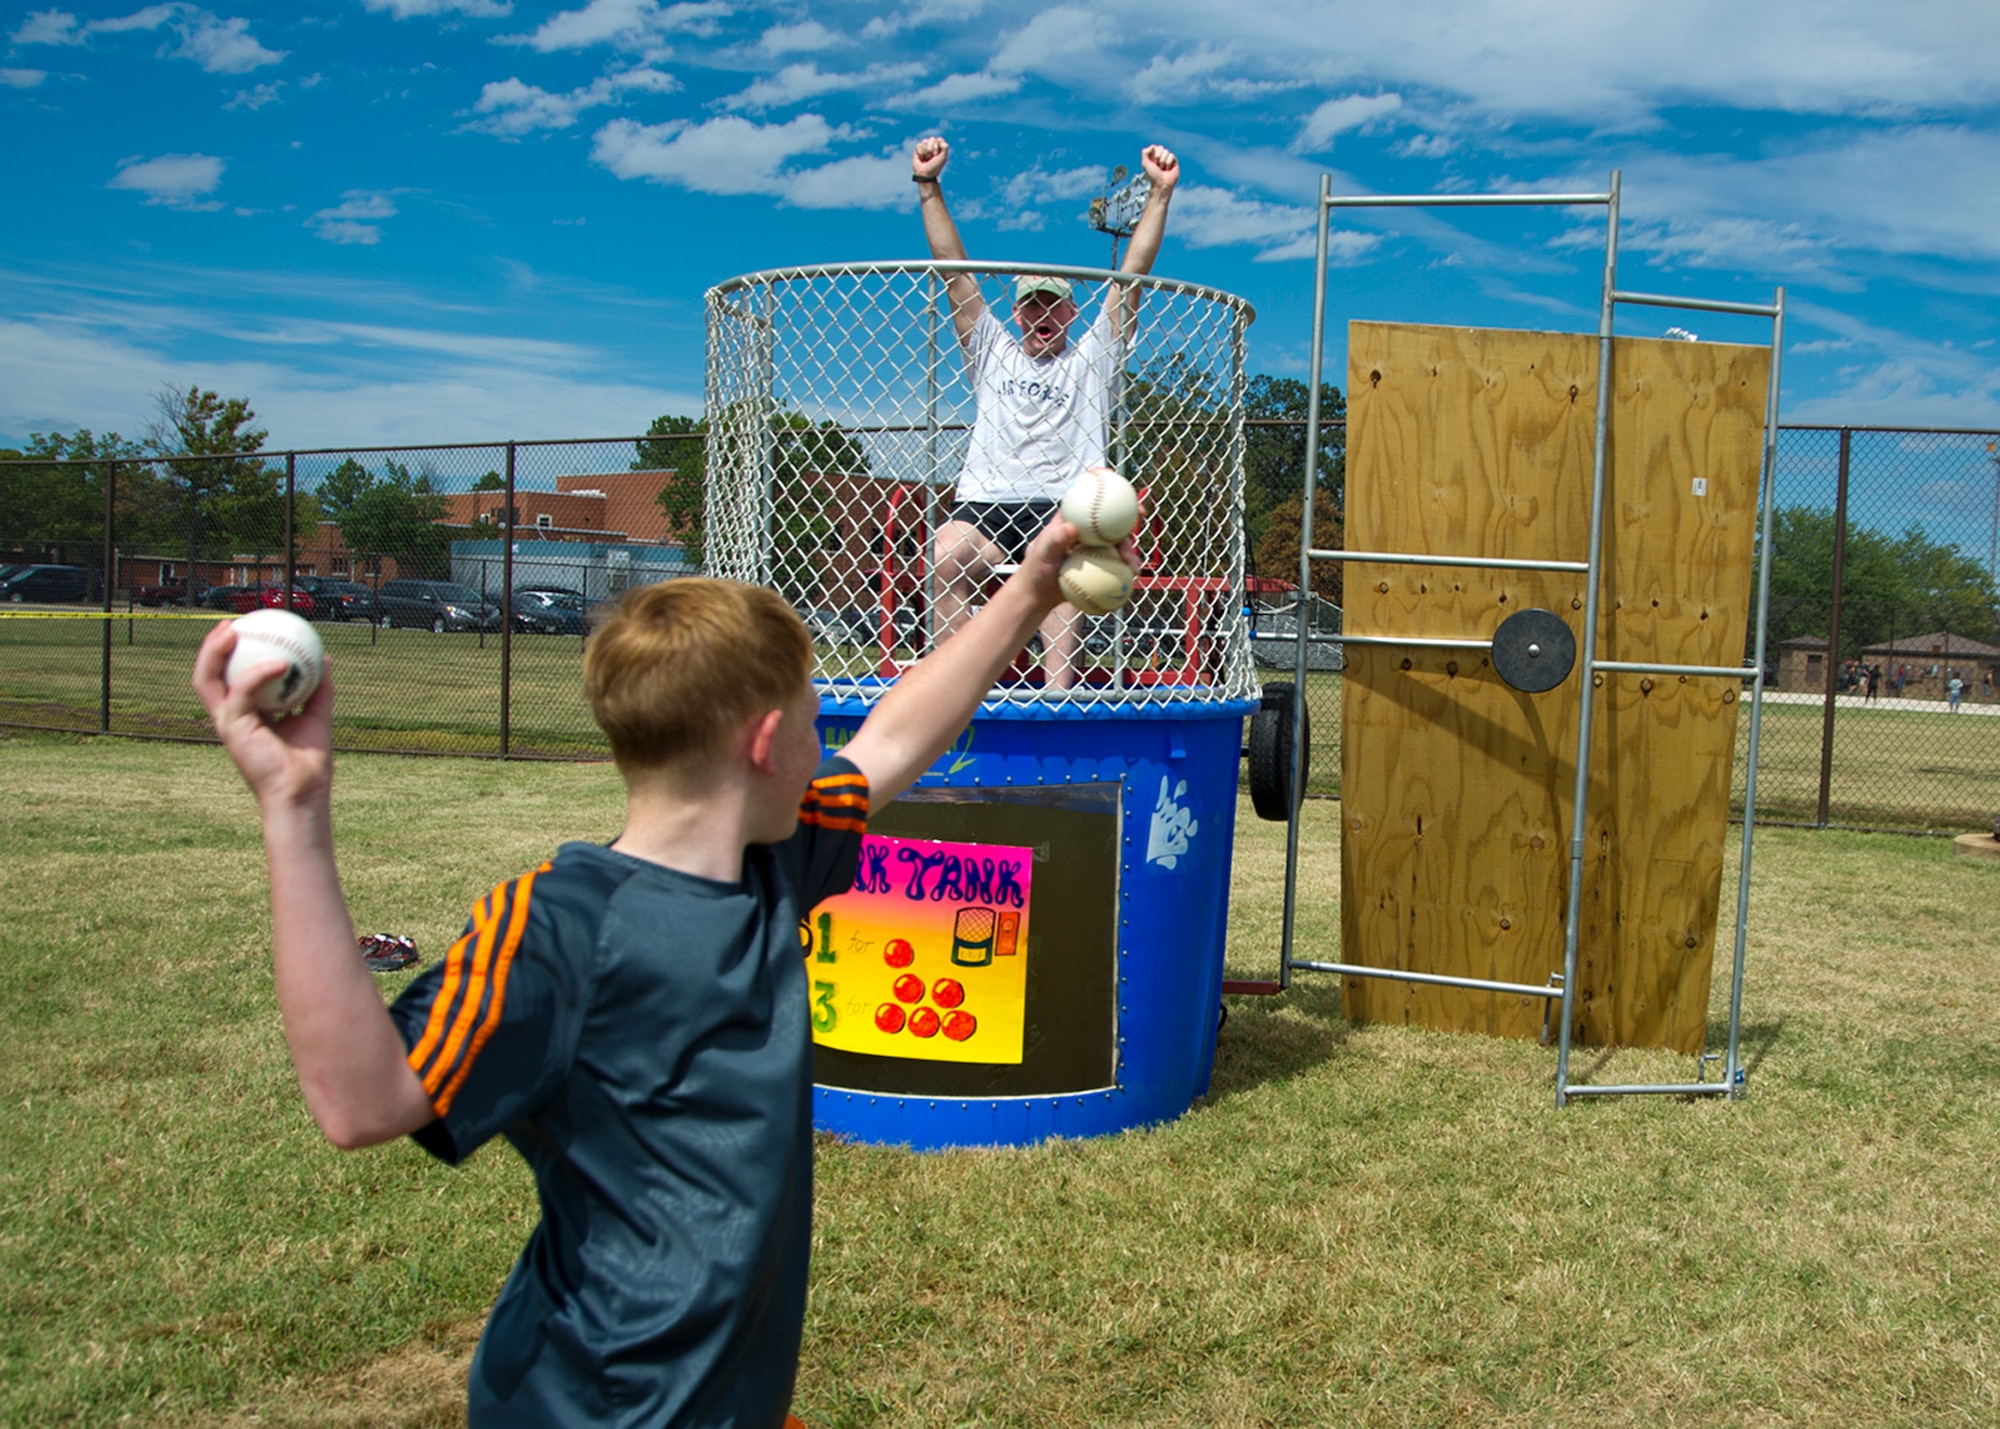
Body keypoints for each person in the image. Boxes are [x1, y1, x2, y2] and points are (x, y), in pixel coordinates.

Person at [190, 514, 1123, 1426]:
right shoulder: (560, 927)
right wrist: (294, 804)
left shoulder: (773, 858)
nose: (826, 738)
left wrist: (1033, 583)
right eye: (811, 718)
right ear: (764, 745)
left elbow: (890, 740)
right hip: (591, 1401)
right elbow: (363, 1102)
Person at [911, 134, 1179, 689]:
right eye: (1031, 303)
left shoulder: (1091, 359)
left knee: (1068, 568)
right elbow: (954, 272)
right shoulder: (992, 352)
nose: (1042, 314)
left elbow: (1132, 279)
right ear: (1014, 311)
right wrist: (928, 187)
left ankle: (1057, 701)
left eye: (1052, 305)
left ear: (1070, 311)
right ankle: (957, 692)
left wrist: (1159, 196)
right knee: (944, 554)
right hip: (987, 503)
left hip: (1064, 503)